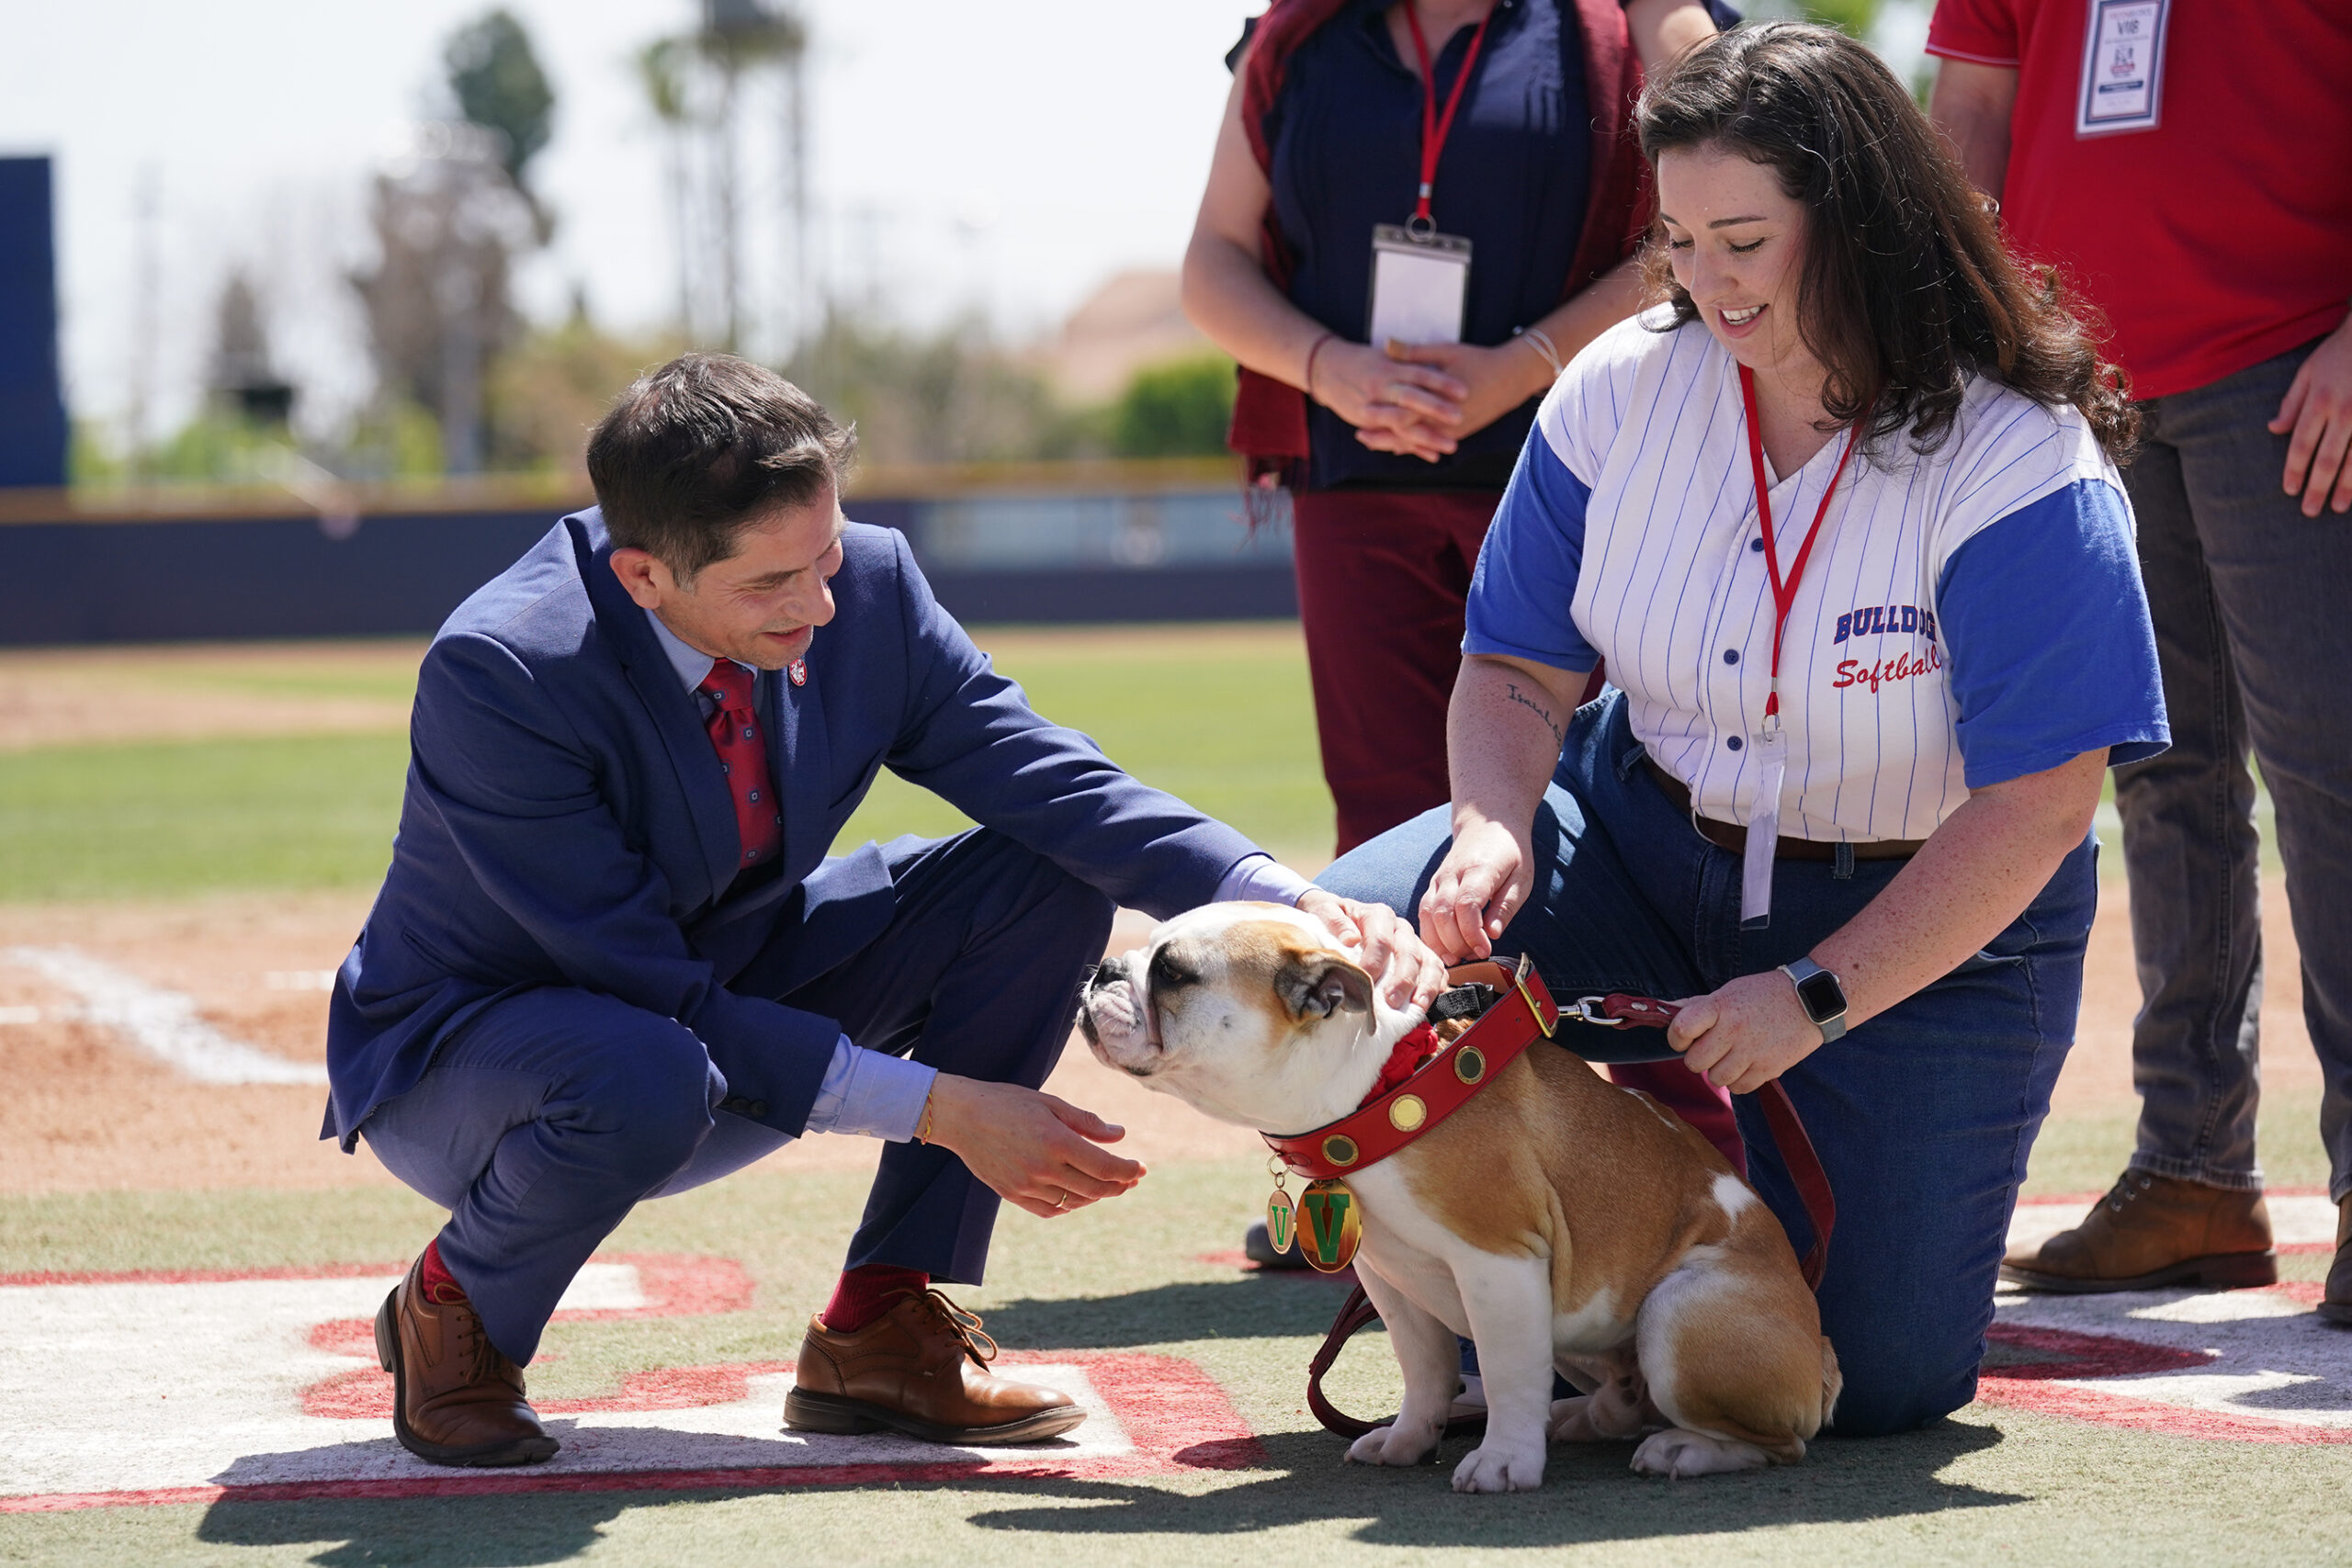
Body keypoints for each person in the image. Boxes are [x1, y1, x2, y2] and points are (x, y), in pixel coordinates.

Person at [324, 354, 1442, 1468]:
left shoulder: (866, 584)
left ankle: (880, 1325)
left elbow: (1052, 781)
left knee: (1042, 878)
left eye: (828, 553)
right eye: (771, 584)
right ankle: (455, 1305)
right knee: (644, 1068)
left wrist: (1295, 901)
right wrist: (942, 1108)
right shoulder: (503, 672)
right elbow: (649, 988)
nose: (819, 603)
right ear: (641, 578)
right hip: (479, 1049)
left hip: (724, 983)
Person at [1317, 21, 2171, 1433]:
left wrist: (1818, 993)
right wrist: (1490, 821)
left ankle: (1637, 1292)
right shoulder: (1616, 387)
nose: (1705, 284)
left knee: (1876, 1380)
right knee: (1360, 932)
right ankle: (1506, 1299)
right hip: (1642, 833)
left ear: (1858, 224)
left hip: (1922, 922)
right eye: (1676, 242)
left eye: (1744, 241)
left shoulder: (2020, 457)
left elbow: (2038, 807)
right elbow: (1517, 667)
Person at [1183, 0, 1748, 1224]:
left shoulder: (1618, 24)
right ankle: (1396, 1175)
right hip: (1358, 478)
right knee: (1395, 843)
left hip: (1584, 462)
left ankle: (1705, 1171)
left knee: (1627, 829)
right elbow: (1212, 263)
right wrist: (1331, 367)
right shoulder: (1296, 35)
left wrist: (1527, 363)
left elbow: (1712, 186)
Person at [1926, 0, 2352, 1323]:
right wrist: (1953, 325)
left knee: (2334, 779)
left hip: (2295, 369)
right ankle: (2193, 1166)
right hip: (2080, 382)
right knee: (2160, 777)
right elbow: (1969, 119)